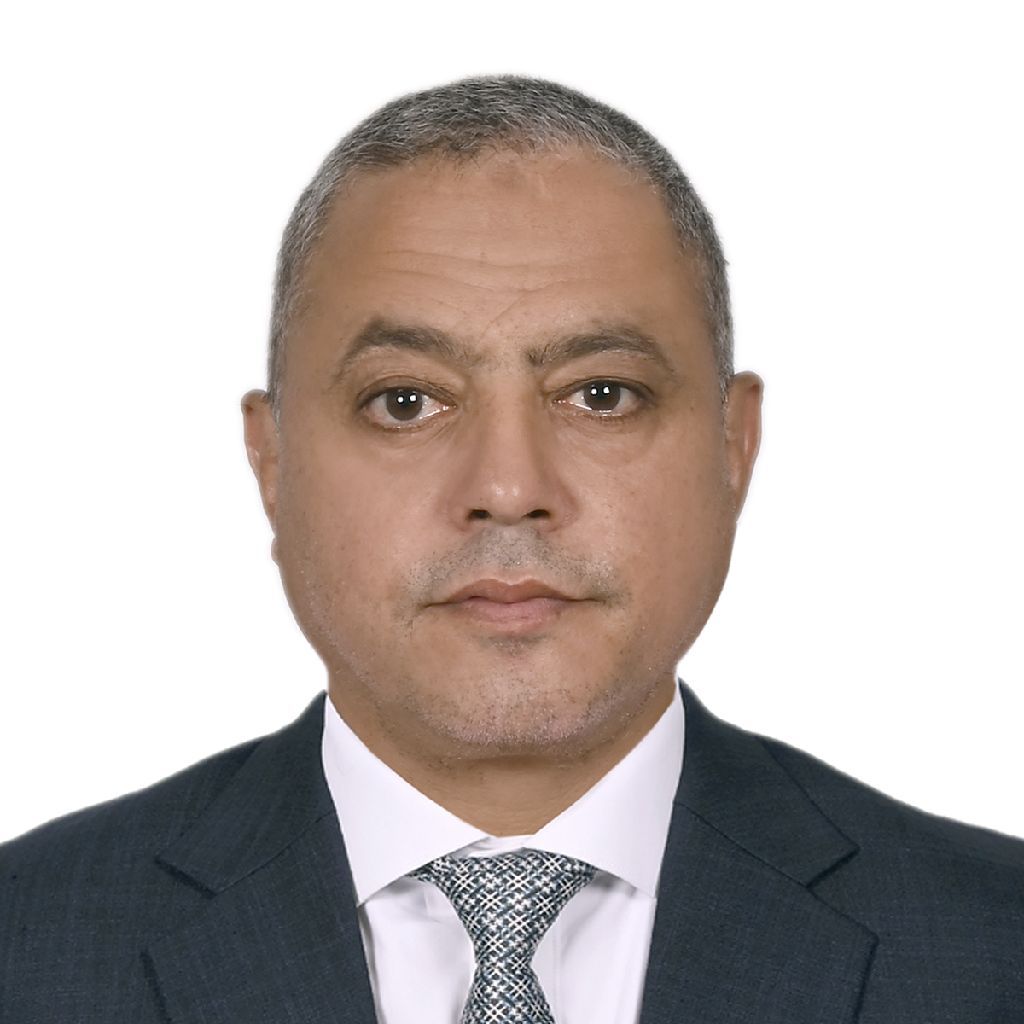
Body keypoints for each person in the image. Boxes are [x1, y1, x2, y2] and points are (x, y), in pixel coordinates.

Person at [2, 74, 1022, 1024]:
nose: (506, 488)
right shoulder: (27, 948)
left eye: (601, 395)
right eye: (405, 402)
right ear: (272, 459)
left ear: (733, 444)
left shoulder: (994, 948)